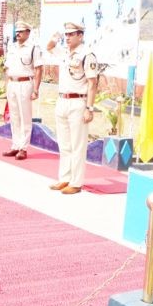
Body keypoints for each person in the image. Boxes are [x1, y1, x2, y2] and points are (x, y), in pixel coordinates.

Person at [45, 21, 99, 195]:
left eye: (71, 34)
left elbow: (92, 83)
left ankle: (76, 182)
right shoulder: (65, 53)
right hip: (62, 100)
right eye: (66, 34)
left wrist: (89, 108)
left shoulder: (87, 55)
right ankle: (65, 178)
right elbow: (49, 46)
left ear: (80, 35)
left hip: (78, 102)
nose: (67, 37)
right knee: (64, 144)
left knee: (77, 145)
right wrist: (55, 37)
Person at [2, 21, 43, 161]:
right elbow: (7, 68)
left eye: (20, 31)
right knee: (14, 116)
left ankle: (23, 148)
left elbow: (38, 69)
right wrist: (6, 85)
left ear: (28, 32)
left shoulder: (33, 48)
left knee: (25, 116)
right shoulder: (12, 47)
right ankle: (15, 145)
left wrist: (36, 89)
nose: (17, 33)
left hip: (25, 83)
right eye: (16, 31)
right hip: (12, 83)